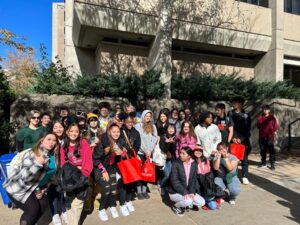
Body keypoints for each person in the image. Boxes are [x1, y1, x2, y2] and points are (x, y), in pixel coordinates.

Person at [4, 132, 58, 225]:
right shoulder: (32, 153)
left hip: (32, 189)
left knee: (43, 202)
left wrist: (42, 190)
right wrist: (37, 164)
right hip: (17, 188)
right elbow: (24, 178)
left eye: (54, 141)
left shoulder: (50, 157)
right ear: (42, 141)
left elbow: (47, 178)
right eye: (49, 139)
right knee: (33, 209)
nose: (51, 142)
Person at [60, 123, 93, 225]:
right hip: (69, 177)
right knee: (69, 202)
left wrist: (84, 174)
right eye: (71, 131)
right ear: (67, 132)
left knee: (78, 202)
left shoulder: (83, 143)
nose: (74, 133)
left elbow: (88, 161)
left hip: (82, 176)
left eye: (76, 131)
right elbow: (63, 163)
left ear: (79, 133)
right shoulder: (63, 145)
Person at [93, 122, 127, 221]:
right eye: (114, 132)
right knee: (107, 189)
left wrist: (122, 154)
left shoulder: (120, 142)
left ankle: (112, 206)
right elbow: (95, 159)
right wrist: (103, 170)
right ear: (109, 132)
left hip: (112, 168)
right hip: (100, 169)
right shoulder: (103, 142)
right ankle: (101, 209)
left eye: (118, 132)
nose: (116, 134)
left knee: (113, 189)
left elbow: (125, 154)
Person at [168, 146, 205, 216]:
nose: (180, 155)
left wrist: (192, 192)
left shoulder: (194, 164)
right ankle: (176, 206)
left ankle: (186, 204)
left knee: (202, 202)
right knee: (189, 200)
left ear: (189, 156)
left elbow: (194, 180)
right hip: (175, 192)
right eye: (180, 153)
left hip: (188, 191)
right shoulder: (176, 163)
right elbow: (174, 181)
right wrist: (184, 192)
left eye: (183, 153)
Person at [119, 115, 141, 214]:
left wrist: (131, 153)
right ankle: (123, 203)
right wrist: (123, 150)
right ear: (124, 122)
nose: (129, 124)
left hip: (131, 159)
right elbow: (117, 142)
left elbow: (137, 145)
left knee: (132, 181)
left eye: (131, 122)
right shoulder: (120, 131)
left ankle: (128, 201)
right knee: (125, 181)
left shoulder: (136, 132)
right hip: (122, 159)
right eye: (128, 122)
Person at [134, 110, 158, 200]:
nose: (148, 117)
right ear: (143, 116)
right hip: (140, 153)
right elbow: (138, 140)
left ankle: (144, 191)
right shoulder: (138, 126)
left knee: (147, 172)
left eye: (149, 116)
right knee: (139, 172)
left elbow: (154, 138)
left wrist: (150, 150)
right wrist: (145, 150)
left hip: (149, 153)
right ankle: (139, 191)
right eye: (146, 115)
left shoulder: (153, 127)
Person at [49, 121, 68, 225]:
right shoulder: (51, 139)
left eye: (60, 127)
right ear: (52, 129)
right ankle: (55, 213)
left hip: (64, 169)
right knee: (53, 192)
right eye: (55, 127)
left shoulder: (66, 139)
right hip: (53, 170)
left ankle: (64, 210)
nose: (58, 129)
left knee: (62, 191)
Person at [229, 97, 252, 185]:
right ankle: (234, 175)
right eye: (233, 103)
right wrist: (233, 138)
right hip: (233, 139)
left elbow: (247, 129)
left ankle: (245, 176)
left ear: (240, 104)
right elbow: (230, 127)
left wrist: (241, 139)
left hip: (243, 140)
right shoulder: (230, 113)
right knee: (233, 159)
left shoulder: (246, 114)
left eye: (235, 103)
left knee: (244, 159)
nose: (233, 104)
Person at [193, 145, 221, 210]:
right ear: (193, 151)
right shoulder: (191, 160)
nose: (198, 152)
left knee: (213, 206)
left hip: (207, 182)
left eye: (200, 151)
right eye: (196, 150)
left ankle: (206, 200)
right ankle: (203, 201)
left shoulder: (205, 159)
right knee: (206, 197)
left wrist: (216, 156)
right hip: (197, 182)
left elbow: (214, 164)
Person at [257, 105, 278, 170]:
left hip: (269, 137)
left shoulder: (272, 118)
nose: (265, 111)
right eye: (263, 109)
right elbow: (258, 126)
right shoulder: (259, 118)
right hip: (262, 137)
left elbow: (275, 127)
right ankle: (263, 162)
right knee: (263, 150)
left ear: (269, 110)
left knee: (271, 151)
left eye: (266, 109)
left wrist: (271, 132)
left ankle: (272, 164)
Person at [159, 123, 176, 193]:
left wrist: (172, 143)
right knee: (167, 175)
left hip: (173, 160)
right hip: (164, 159)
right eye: (169, 128)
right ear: (166, 129)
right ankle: (161, 185)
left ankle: (166, 186)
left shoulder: (176, 138)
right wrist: (166, 142)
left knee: (172, 174)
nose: (171, 130)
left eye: (172, 128)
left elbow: (176, 150)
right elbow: (162, 149)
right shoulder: (163, 137)